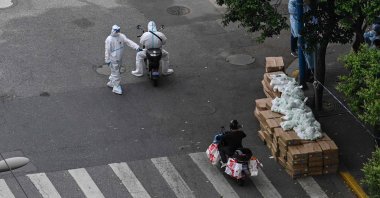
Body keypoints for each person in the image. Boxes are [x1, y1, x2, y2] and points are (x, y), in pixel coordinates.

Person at [105, 25, 142, 95]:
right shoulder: (109, 39)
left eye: (118, 30)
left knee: (116, 71)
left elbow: (128, 42)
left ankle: (112, 82)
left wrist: (136, 47)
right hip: (113, 59)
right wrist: (107, 60)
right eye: (116, 30)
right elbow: (107, 50)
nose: (117, 32)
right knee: (116, 73)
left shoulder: (121, 36)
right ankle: (116, 86)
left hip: (119, 58)